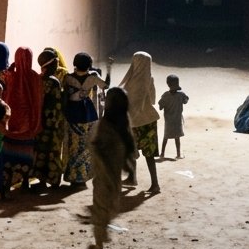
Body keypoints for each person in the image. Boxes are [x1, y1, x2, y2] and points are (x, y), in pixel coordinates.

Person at [84, 85, 136, 249]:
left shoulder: (122, 121)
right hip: (104, 176)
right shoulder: (104, 125)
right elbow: (95, 147)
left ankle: (99, 238)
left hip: (113, 176)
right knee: (101, 211)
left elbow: (128, 145)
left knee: (111, 208)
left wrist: (128, 167)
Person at [0, 46, 44, 195]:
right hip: (28, 124)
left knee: (9, 153)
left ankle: (7, 182)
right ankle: (25, 181)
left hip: (11, 123)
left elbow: (4, 96)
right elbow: (38, 100)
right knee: (26, 153)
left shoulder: (11, 76)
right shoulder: (35, 77)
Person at [62, 53, 110, 187]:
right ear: (89, 65)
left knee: (73, 145)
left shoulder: (68, 78)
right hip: (88, 113)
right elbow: (106, 86)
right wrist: (109, 69)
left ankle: (72, 176)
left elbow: (64, 92)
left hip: (72, 113)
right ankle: (82, 177)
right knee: (85, 146)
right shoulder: (93, 77)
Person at [118, 50, 160, 194]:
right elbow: (153, 99)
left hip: (132, 122)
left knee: (130, 150)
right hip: (149, 121)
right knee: (149, 155)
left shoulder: (129, 80)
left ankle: (132, 177)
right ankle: (155, 184)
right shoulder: (149, 79)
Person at [33, 47, 66, 189]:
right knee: (53, 151)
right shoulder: (54, 82)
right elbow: (57, 102)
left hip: (40, 122)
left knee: (40, 151)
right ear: (50, 64)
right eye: (56, 62)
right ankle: (53, 180)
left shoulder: (38, 79)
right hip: (53, 123)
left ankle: (40, 180)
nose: (58, 65)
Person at [159, 73, 189, 159]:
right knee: (177, 137)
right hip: (177, 120)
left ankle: (162, 153)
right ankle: (178, 154)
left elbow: (160, 106)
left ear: (168, 84)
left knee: (166, 137)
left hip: (168, 120)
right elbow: (186, 101)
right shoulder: (181, 95)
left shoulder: (165, 95)